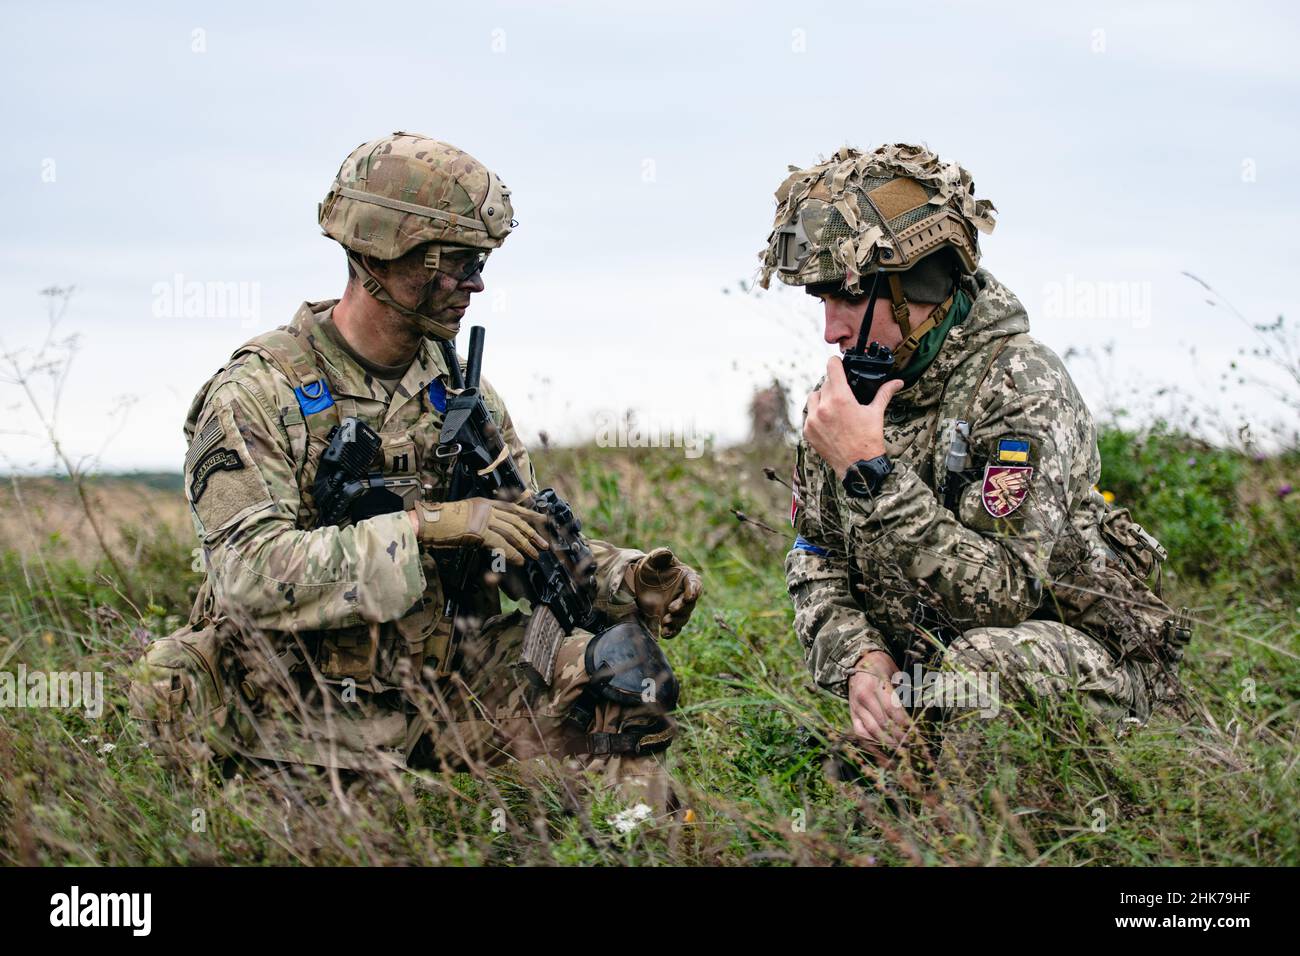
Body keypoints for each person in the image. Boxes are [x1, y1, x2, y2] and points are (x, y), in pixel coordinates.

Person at [130, 132, 701, 808]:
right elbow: (247, 573)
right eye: (457, 262)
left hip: (449, 680)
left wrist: (626, 577)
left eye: (480, 261)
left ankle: (618, 839)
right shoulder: (261, 393)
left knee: (621, 679)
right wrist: (430, 525)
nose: (477, 283)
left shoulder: (464, 396)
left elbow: (524, 538)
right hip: (303, 701)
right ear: (386, 253)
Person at [758, 143, 1191, 752]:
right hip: (938, 683)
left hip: (1092, 667)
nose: (830, 329)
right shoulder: (848, 395)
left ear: (919, 285)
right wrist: (861, 657)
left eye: (850, 297)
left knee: (981, 669)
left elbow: (1004, 599)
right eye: (821, 299)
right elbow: (815, 555)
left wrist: (869, 470)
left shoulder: (1019, 384)